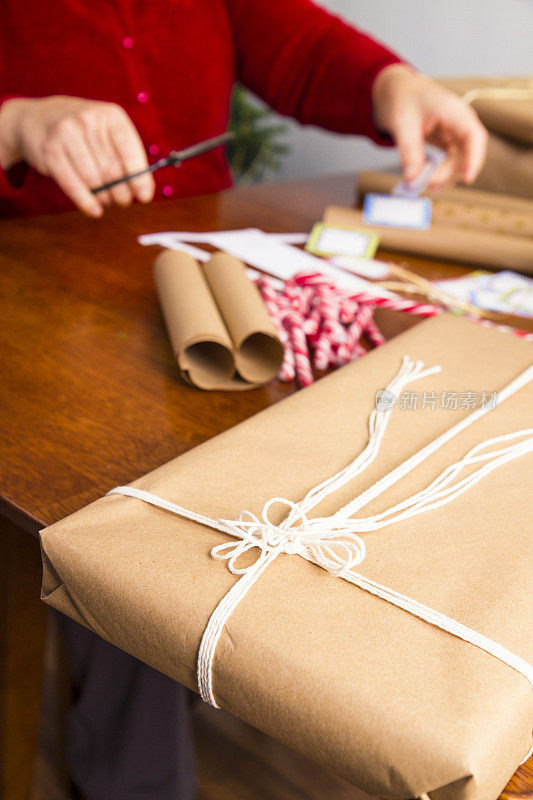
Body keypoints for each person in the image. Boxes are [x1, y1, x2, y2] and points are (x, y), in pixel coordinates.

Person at [0, 2, 488, 799]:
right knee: (142, 536)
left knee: (379, 436)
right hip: (36, 283)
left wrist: (390, 82)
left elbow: (288, 38)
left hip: (197, 250)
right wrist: (14, 122)